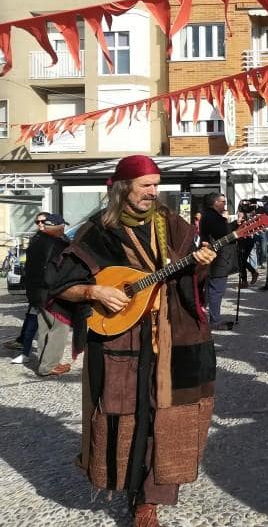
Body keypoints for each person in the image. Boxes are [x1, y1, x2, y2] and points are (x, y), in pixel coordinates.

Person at [47, 155, 217, 527]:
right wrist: (95, 292)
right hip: (121, 345)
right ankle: (128, 485)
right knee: (130, 415)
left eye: (157, 185)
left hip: (176, 338)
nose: (154, 192)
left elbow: (192, 275)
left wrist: (202, 262)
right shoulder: (96, 232)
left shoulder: (171, 224)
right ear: (124, 188)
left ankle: (149, 501)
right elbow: (58, 286)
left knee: (169, 415)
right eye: (146, 186)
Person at [23, 212, 72, 376]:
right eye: (62, 226)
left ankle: (44, 363)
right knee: (60, 327)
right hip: (51, 293)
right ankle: (49, 366)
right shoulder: (57, 243)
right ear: (58, 227)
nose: (64, 228)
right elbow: (56, 270)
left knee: (45, 328)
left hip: (36, 292)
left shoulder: (37, 240)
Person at [5, 212, 48, 363]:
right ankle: (25, 350)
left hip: (47, 289)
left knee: (42, 323)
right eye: (38, 222)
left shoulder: (54, 240)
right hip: (36, 288)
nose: (40, 224)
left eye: (43, 221)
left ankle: (35, 355)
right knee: (32, 319)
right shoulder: (37, 238)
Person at [201, 193, 237, 331]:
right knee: (216, 290)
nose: (225, 204)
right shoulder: (215, 218)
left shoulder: (208, 216)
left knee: (209, 291)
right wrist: (233, 227)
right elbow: (224, 236)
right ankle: (214, 320)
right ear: (215, 202)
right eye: (223, 201)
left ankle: (203, 317)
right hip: (218, 260)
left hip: (212, 259)